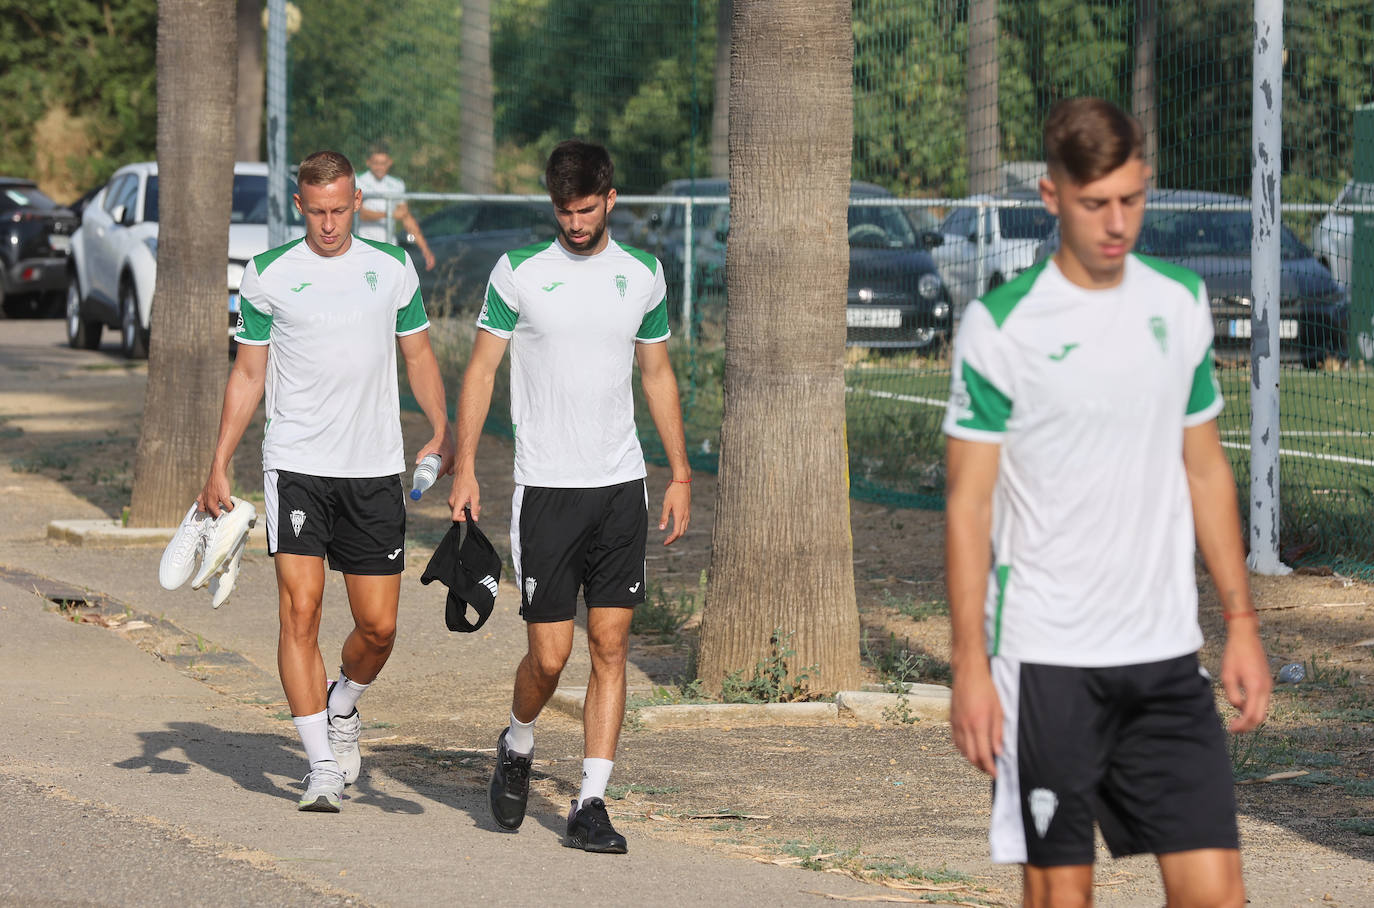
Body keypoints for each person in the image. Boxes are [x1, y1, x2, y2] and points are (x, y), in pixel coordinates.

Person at [942, 97, 1272, 906]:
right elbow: (968, 508)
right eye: (1096, 204)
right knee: (1062, 898)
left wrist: (1240, 625)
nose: (1117, 222)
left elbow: (1205, 470)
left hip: (1163, 656)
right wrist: (970, 667)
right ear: (1053, 196)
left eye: (1132, 199)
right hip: (1044, 662)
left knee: (1217, 892)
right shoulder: (1000, 327)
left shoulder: (1179, 302)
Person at [449, 139, 691, 853]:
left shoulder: (643, 274)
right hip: (547, 489)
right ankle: (519, 741)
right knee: (550, 658)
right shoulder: (519, 273)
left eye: (587, 209)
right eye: (564, 209)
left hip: (620, 487)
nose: (576, 222)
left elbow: (657, 375)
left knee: (610, 644)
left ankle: (590, 802)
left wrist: (678, 471)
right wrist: (465, 469)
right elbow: (483, 370)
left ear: (611, 200)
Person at [198, 150, 453, 812]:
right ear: (300, 204)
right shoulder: (268, 274)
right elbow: (249, 373)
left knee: (379, 628)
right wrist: (220, 459)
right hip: (297, 464)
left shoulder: (392, 269)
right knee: (300, 610)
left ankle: (343, 702)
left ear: (358, 201)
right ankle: (319, 766)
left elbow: (418, 353)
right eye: (317, 212)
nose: (330, 224)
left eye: (340, 210)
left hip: (373, 468)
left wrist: (442, 428)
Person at [357, 143, 436, 271]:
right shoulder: (358, 180)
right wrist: (390, 214)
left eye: (383, 163)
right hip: (364, 247)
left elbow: (406, 217)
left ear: (390, 162)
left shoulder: (396, 184)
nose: (380, 167)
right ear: (368, 163)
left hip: (389, 248)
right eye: (376, 163)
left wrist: (425, 249)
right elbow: (358, 213)